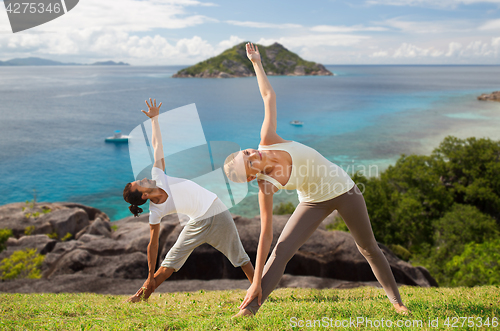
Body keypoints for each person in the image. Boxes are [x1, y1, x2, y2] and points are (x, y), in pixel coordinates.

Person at [224, 43, 410, 316]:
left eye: (246, 152)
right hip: (313, 202)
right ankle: (250, 309)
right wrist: (255, 282)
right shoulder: (266, 185)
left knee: (367, 247)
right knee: (282, 251)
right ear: (253, 176)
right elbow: (265, 234)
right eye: (249, 163)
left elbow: (268, 95)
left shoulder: (268, 140)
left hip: (344, 189)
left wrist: (256, 62)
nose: (253, 155)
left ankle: (397, 303)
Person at [123, 98, 254, 302]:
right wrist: (149, 276)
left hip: (216, 210)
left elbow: (157, 145)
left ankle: (258, 291)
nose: (144, 178)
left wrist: (154, 120)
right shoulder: (155, 212)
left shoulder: (158, 175)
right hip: (196, 222)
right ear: (144, 195)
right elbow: (153, 244)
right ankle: (140, 297)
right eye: (141, 182)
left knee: (240, 257)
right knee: (168, 265)